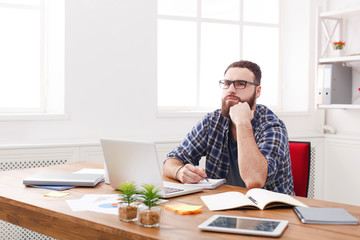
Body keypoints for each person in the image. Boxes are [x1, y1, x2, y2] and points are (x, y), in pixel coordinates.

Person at [163, 60, 294, 195]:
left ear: (257, 91)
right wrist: (179, 172)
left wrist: (243, 123)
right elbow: (172, 160)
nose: (231, 90)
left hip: (269, 212)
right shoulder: (212, 121)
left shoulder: (272, 127)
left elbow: (254, 180)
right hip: (222, 205)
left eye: (240, 84)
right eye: (227, 83)